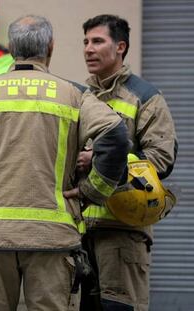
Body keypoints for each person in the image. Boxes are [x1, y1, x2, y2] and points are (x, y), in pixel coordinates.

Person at [0, 15, 129, 311]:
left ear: (11, 48)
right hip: (52, 240)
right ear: (50, 47)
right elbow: (115, 135)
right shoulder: (73, 94)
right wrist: (93, 191)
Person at [80, 14, 178, 311]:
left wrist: (100, 160)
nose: (88, 49)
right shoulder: (79, 96)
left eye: (98, 41)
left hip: (122, 233)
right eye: (85, 42)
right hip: (79, 232)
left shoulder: (145, 98)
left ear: (120, 47)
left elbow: (161, 159)